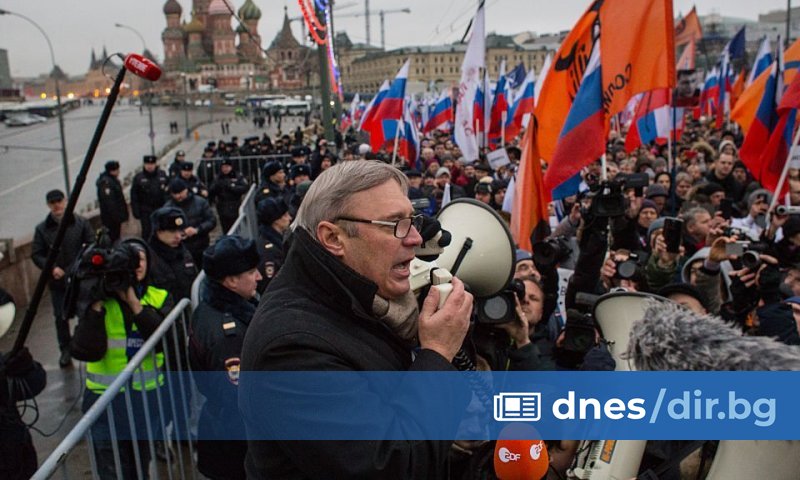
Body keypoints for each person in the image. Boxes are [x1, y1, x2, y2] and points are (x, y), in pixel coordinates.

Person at [239, 161, 473, 478]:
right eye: (395, 224)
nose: (416, 238)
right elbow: (393, 466)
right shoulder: (291, 348)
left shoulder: (364, 300)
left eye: (411, 220)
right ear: (333, 238)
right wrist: (437, 353)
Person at [70, 239, 174, 480]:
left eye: (141, 259)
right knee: (111, 470)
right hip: (104, 402)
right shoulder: (100, 302)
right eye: (130, 261)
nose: (137, 266)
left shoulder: (159, 297)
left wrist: (134, 303)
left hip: (143, 401)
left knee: (139, 467)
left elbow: (165, 341)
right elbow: (85, 350)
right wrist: (95, 305)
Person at [189, 236, 262, 480]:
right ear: (231, 281)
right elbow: (236, 400)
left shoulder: (216, 308)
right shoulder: (227, 336)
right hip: (235, 447)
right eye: (251, 272)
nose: (259, 277)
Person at [32, 189, 94, 368]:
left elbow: (90, 245)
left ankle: (86, 345)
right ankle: (65, 350)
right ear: (49, 205)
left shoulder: (80, 223)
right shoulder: (42, 229)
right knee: (61, 317)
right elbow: (37, 254)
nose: (57, 205)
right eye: (53, 203)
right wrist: (51, 268)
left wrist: (77, 266)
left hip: (79, 279)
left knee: (86, 313)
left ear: (65, 201)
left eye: (59, 201)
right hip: (58, 282)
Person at [147, 207, 197, 301]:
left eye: (180, 231)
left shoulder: (184, 253)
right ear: (158, 231)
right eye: (172, 231)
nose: (178, 236)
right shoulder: (149, 259)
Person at [165, 179, 217, 266]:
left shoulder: (200, 202)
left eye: (180, 193)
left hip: (201, 246)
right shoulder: (168, 208)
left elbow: (211, 221)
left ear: (186, 190)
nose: (178, 196)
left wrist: (197, 230)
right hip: (180, 249)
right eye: (175, 194)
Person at [255, 197, 290, 292]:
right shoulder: (269, 252)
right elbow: (270, 286)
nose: (289, 218)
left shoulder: (277, 240)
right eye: (285, 215)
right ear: (277, 220)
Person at [131, 155, 169, 240]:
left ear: (155, 164)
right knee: (147, 232)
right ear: (144, 165)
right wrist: (136, 211)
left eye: (152, 164)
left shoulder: (162, 175)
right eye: (147, 164)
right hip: (145, 210)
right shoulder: (139, 178)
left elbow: (168, 191)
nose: (150, 166)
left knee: (161, 230)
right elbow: (134, 196)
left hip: (160, 208)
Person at [210, 158, 250, 233]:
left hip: (235, 205)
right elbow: (212, 190)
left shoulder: (237, 176)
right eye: (223, 167)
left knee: (237, 228)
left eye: (227, 167)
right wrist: (216, 186)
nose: (225, 169)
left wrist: (232, 187)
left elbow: (244, 187)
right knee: (226, 229)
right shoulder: (218, 177)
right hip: (223, 206)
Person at [96, 160, 129, 242]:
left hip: (115, 218)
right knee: (113, 238)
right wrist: (117, 217)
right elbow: (110, 203)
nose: (119, 172)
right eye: (117, 170)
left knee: (116, 237)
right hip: (111, 219)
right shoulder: (106, 183)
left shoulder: (113, 180)